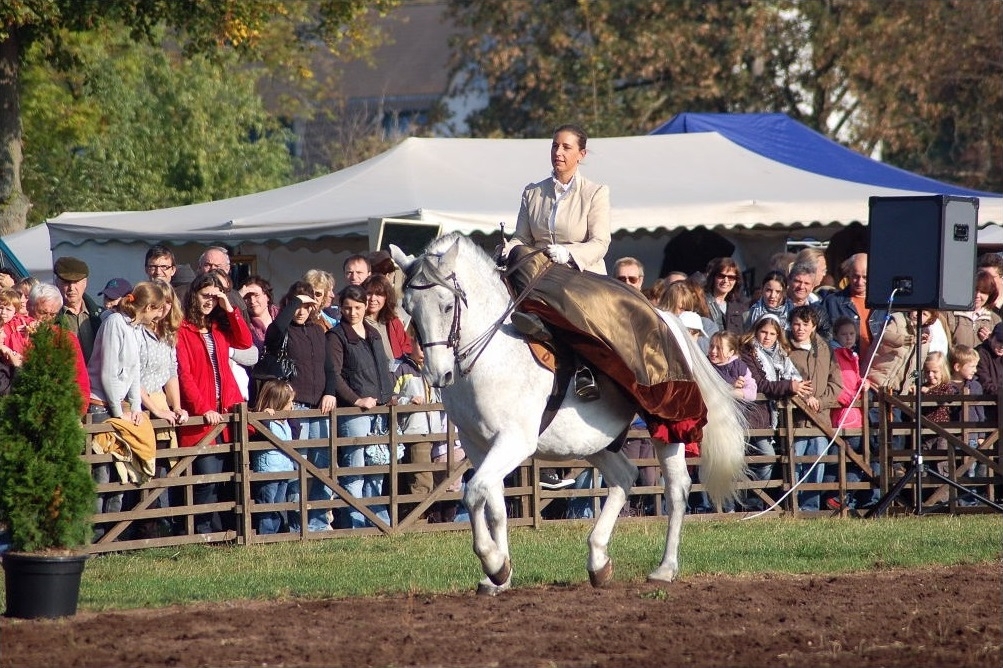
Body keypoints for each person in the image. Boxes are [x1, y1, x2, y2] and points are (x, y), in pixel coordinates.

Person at [175, 270, 253, 534]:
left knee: (227, 476)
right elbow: (184, 375)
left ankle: (223, 530)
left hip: (226, 412)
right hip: (204, 417)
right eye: (205, 295)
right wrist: (201, 408)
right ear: (194, 295)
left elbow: (245, 340)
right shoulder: (182, 329)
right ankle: (202, 531)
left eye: (214, 296)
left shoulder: (219, 327)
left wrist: (228, 305)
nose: (209, 301)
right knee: (206, 478)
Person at [86, 282, 164, 539]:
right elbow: (108, 372)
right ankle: (97, 536)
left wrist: (137, 407)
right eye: (157, 310)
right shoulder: (114, 324)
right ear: (149, 307)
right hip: (101, 404)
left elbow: (133, 372)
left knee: (122, 472)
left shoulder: (133, 328)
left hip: (120, 406)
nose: (159, 316)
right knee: (102, 473)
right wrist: (119, 412)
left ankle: (113, 535)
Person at [264, 281, 336, 533]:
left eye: (307, 305)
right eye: (298, 305)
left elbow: (329, 368)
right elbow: (274, 331)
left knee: (321, 467)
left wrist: (330, 392)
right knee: (297, 467)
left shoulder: (318, 331)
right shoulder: (282, 331)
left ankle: (316, 521)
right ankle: (296, 524)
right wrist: (296, 301)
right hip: (296, 408)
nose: (302, 310)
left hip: (320, 408)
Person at [327, 284, 395, 529]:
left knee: (377, 468)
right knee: (355, 470)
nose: (352, 312)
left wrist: (389, 394)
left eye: (357, 307)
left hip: (379, 409)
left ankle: (379, 523)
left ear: (365, 306)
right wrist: (356, 400)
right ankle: (356, 524)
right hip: (354, 413)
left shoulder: (374, 333)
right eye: (346, 308)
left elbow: (384, 368)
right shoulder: (336, 336)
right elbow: (334, 375)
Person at [137, 279, 188, 536]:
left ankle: (168, 525)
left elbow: (171, 373)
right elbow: (132, 377)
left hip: (162, 405)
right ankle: (145, 529)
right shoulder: (136, 331)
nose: (165, 308)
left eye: (169, 302)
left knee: (167, 468)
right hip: (140, 405)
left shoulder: (168, 335)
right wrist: (154, 409)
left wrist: (176, 406)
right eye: (160, 303)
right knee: (145, 469)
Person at [740, 314, 806, 509]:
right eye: (763, 332)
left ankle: (760, 503)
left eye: (772, 333)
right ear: (756, 331)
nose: (767, 337)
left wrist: (800, 389)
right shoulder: (747, 352)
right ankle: (754, 503)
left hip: (772, 416)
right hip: (753, 415)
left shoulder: (781, 355)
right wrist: (789, 386)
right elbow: (761, 385)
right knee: (765, 457)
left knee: (765, 459)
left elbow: (794, 377)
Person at [787, 305, 843, 511]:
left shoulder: (826, 348)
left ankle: (810, 507)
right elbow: (782, 378)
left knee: (816, 462)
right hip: (795, 417)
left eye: (805, 324)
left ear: (813, 326)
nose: (800, 328)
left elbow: (836, 382)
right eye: (796, 324)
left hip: (820, 418)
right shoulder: (786, 347)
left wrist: (822, 401)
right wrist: (803, 397)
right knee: (794, 462)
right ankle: (791, 505)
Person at [28, 282, 90, 414]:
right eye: (43, 313)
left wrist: (77, 412)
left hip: (59, 412)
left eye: (53, 314)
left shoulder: (66, 338)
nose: (47, 319)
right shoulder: (16, 334)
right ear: (30, 307)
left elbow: (80, 380)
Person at [828, 316, 868, 509]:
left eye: (852, 334)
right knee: (838, 460)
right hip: (842, 415)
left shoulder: (853, 355)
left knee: (856, 459)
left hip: (856, 415)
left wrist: (863, 384)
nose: (849, 337)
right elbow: (837, 384)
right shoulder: (835, 355)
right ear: (836, 335)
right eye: (844, 334)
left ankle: (842, 497)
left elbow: (855, 378)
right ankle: (831, 496)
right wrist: (850, 398)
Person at [251, 379, 298, 535]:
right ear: (278, 401)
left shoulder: (285, 422)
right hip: (268, 471)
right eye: (289, 402)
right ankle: (267, 534)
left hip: (284, 469)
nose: (292, 406)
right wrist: (264, 417)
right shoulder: (265, 421)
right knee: (267, 503)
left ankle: (277, 533)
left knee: (279, 503)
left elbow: (295, 433)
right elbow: (259, 430)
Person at [948, 344, 987, 504]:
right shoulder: (947, 386)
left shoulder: (975, 386)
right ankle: (965, 501)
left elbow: (980, 411)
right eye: (971, 366)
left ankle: (975, 500)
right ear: (957, 366)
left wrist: (982, 434)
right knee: (962, 468)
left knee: (975, 468)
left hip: (972, 433)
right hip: (954, 434)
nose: (975, 370)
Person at [53, 255, 103, 362]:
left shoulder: (101, 316)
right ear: (57, 283)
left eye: (76, 282)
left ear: (85, 283)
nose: (71, 288)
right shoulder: (51, 318)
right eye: (66, 282)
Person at [944, 269, 1000, 348]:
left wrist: (992, 342)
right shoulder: (949, 315)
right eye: (974, 290)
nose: (977, 295)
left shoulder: (995, 320)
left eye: (983, 292)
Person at [362, 274, 412, 362]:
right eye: (369, 293)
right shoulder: (358, 324)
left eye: (378, 294)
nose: (373, 298)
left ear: (386, 297)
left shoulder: (393, 322)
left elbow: (407, 348)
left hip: (397, 373)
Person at [196, 246, 248, 320]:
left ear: (227, 269)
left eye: (217, 266)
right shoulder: (185, 294)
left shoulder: (235, 298)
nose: (213, 269)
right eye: (207, 265)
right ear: (199, 267)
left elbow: (244, 328)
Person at [703, 257, 748, 335]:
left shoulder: (740, 309)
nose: (726, 281)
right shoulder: (700, 302)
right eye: (721, 276)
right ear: (713, 277)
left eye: (731, 277)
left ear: (736, 281)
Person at [788, 262, 831, 340]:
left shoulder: (819, 312)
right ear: (789, 281)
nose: (801, 286)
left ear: (812, 287)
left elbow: (827, 336)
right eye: (797, 281)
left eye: (806, 283)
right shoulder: (777, 306)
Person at [239, 275, 278, 353]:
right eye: (247, 297)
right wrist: (238, 296)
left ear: (267, 297)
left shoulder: (282, 316)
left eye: (256, 295)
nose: (252, 301)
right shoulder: (242, 323)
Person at [974, 322, 1003, 425]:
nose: (1002, 346)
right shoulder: (980, 353)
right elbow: (985, 384)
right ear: (990, 337)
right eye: (999, 341)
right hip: (985, 408)